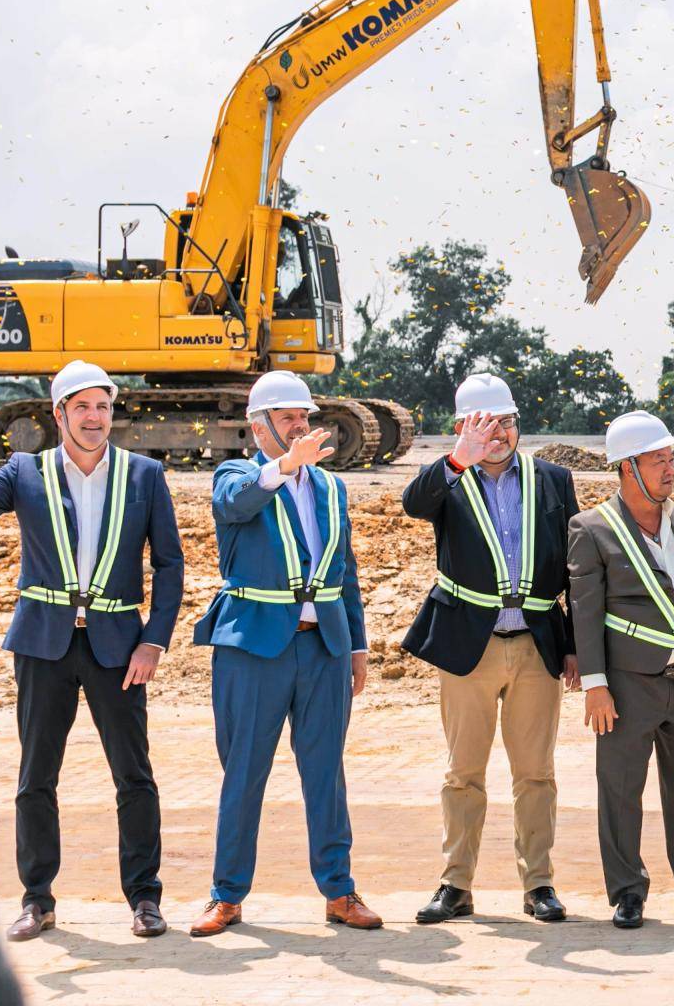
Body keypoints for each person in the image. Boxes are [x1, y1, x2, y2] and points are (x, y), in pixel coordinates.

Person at [0, 361, 183, 940]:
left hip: (120, 648)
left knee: (134, 776)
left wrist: (154, 641)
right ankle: (37, 899)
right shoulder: (24, 470)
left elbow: (170, 565)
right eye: (82, 407)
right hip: (43, 645)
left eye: (103, 406)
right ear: (58, 412)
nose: (95, 418)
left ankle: (144, 897)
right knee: (36, 776)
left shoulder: (143, 475)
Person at [188, 372, 380, 936]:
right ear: (259, 425)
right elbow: (235, 503)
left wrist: (357, 645)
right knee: (244, 773)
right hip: (253, 650)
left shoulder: (330, 488)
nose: (302, 424)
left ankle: (339, 891)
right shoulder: (238, 474)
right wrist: (284, 467)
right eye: (288, 416)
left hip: (322, 648)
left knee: (326, 773)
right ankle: (227, 895)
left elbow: (342, 571)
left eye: (304, 415)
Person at [401, 373, 580, 925]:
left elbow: (572, 568)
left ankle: (539, 883)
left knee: (536, 772)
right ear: (462, 429)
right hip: (468, 648)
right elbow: (413, 504)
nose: (497, 433)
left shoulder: (552, 479)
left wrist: (572, 647)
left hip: (535, 643)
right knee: (464, 772)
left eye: (504, 422)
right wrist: (457, 459)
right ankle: (456, 884)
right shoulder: (448, 481)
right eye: (484, 424)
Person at [569, 410, 674, 929]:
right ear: (626, 468)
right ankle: (627, 892)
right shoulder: (591, 528)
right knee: (619, 791)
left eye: (670, 458)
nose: (670, 468)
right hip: (625, 685)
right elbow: (586, 612)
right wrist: (595, 686)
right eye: (657, 459)